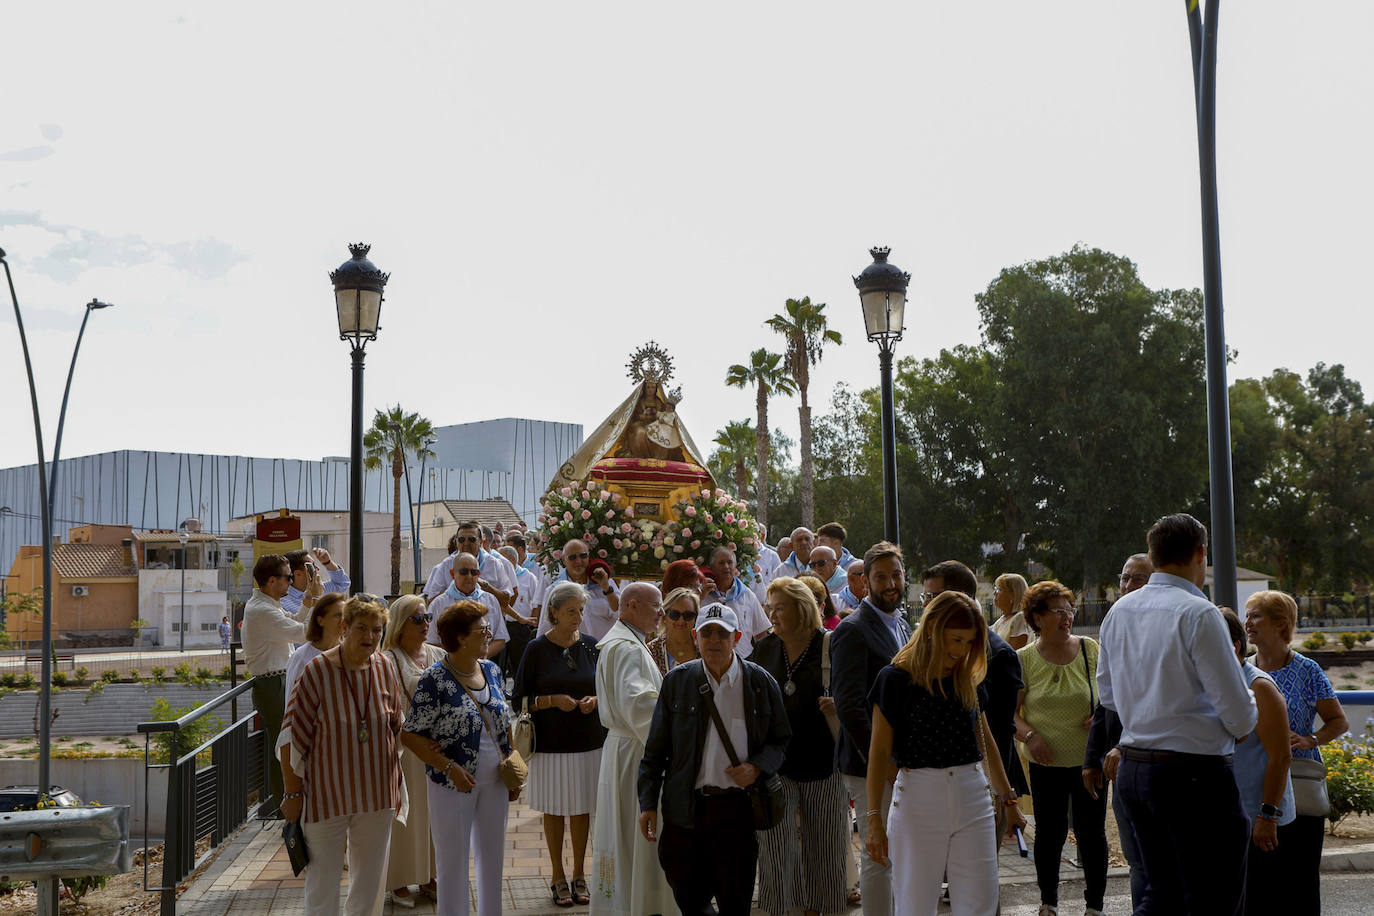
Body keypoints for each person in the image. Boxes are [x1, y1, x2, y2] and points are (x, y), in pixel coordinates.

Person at [1097, 513, 1257, 914]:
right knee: (1214, 899)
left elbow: (1109, 695)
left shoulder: (1120, 611)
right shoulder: (1199, 613)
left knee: (1160, 895)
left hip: (1136, 769)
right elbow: (1239, 715)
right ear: (1201, 554)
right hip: (1194, 776)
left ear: (1152, 556)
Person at [864, 591, 1025, 916]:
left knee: (980, 903)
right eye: (955, 640)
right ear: (933, 630)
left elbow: (986, 742)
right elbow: (879, 751)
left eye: (969, 642)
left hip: (973, 796)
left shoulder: (967, 675)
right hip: (917, 800)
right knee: (915, 905)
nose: (961, 650)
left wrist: (1009, 800)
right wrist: (873, 818)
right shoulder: (895, 679)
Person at [638, 603, 792, 916]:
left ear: (737, 637)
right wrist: (648, 804)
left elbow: (781, 740)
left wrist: (757, 766)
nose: (713, 640)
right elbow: (655, 752)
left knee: (735, 904)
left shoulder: (760, 683)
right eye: (707, 633)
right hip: (686, 810)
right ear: (695, 636)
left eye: (722, 634)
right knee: (689, 899)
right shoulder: (677, 682)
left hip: (737, 813)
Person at [280, 595, 408, 916]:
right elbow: (290, 739)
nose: (370, 637)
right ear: (344, 627)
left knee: (369, 885)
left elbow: (397, 726)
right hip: (326, 796)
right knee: (322, 886)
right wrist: (292, 793)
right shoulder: (316, 671)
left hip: (377, 795)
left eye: (377, 630)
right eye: (361, 628)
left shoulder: (384, 666)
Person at [401, 601, 519, 916]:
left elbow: (503, 723)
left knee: (492, 858)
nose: (490, 634)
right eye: (483, 630)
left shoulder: (492, 670)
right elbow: (410, 734)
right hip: (452, 783)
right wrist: (448, 767)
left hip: (496, 780)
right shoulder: (434, 679)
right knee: (452, 864)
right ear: (461, 637)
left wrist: (512, 766)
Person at [1246, 588, 1348, 913]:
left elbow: (1338, 722)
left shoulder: (1308, 670)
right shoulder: (1242, 670)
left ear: (1281, 624)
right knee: (1256, 885)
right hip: (1255, 790)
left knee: (1300, 885)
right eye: (1246, 615)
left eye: (1255, 615)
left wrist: (1310, 740)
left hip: (1299, 792)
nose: (1247, 622)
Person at [752, 577, 849, 916]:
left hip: (824, 765)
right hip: (777, 767)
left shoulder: (831, 645)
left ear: (802, 609)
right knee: (777, 850)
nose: (772, 615)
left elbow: (857, 696)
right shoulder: (764, 649)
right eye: (770, 608)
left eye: (780, 608)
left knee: (827, 849)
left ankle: (827, 909)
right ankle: (784, 911)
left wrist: (839, 706)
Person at [1012, 580, 1107, 916]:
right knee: (1050, 835)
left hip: (1089, 762)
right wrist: (1029, 736)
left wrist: (1101, 715)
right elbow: (1012, 714)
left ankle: (1095, 905)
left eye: (1069, 609)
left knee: (1092, 834)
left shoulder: (1090, 649)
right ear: (1037, 618)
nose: (1067, 616)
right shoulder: (1023, 659)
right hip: (1045, 763)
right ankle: (1048, 901)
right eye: (1058, 611)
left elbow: (1110, 696)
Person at [512, 580, 606, 909]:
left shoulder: (593, 646)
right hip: (550, 743)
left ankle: (580, 873)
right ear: (553, 612)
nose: (578, 617)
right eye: (571, 611)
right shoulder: (536, 649)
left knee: (581, 809)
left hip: (587, 741)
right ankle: (556, 875)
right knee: (554, 810)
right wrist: (551, 700)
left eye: (581, 610)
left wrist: (595, 700)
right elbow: (518, 700)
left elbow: (605, 689)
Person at [830, 541, 912, 916]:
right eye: (881, 577)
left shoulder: (904, 623)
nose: (890, 583)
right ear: (866, 582)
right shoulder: (853, 630)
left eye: (896, 575)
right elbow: (848, 705)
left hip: (903, 759)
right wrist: (885, 763)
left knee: (900, 852)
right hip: (870, 767)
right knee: (879, 856)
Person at [589, 582, 675, 916]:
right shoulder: (626, 648)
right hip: (636, 750)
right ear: (633, 606)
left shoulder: (626, 642)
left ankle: (630, 902)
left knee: (623, 835)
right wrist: (678, 732)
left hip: (624, 748)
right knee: (633, 836)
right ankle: (639, 904)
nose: (662, 614)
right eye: (657, 606)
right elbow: (640, 705)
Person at [1082, 552, 1153, 911]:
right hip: (1119, 763)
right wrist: (1092, 758)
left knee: (1155, 858)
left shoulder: (1163, 624)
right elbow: (1105, 701)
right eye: (1124, 577)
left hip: (1152, 761)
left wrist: (1125, 747)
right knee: (1136, 858)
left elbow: (1160, 700)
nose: (1128, 585)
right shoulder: (1114, 620)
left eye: (1138, 578)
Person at [922, 561, 1025, 803]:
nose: (926, 604)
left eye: (932, 596)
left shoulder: (998, 656)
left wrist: (999, 791)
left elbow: (998, 731)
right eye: (925, 595)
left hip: (980, 786)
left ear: (959, 598)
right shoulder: (924, 654)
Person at [1220, 608, 1295, 916]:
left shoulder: (1258, 687)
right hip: (1231, 819)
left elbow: (1281, 756)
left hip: (1260, 819)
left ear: (1234, 646)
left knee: (1261, 903)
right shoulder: (1220, 686)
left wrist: (1267, 816)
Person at [381, 594, 445, 908]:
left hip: (439, 750)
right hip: (405, 749)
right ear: (400, 623)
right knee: (408, 816)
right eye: (417, 619)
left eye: (427, 617)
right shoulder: (387, 659)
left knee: (434, 816)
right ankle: (398, 881)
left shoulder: (438, 654)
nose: (424, 624)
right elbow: (388, 706)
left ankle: (431, 877)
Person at [241, 553, 308, 815]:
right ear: (272, 580)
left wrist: (311, 599)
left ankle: (286, 802)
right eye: (288, 577)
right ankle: (285, 806)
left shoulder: (266, 604)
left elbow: (297, 624)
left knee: (285, 743)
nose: (291, 583)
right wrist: (312, 600)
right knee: (283, 745)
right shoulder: (262, 610)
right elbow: (303, 632)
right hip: (273, 684)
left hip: (279, 680)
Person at [427, 552, 508, 658]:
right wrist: (459, 661)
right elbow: (431, 643)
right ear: (452, 574)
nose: (469, 576)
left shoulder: (491, 600)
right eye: (464, 571)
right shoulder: (438, 604)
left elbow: (500, 639)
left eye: (474, 572)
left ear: (479, 574)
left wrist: (478, 659)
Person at [422, 520, 518, 609]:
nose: (466, 543)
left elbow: (506, 601)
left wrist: (486, 586)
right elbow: (431, 602)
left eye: (472, 539)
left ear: (481, 541)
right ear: (456, 542)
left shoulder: (494, 564)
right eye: (461, 539)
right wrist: (455, 588)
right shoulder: (446, 565)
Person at [539, 540, 621, 641]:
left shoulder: (605, 582)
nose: (578, 561)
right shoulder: (554, 591)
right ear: (564, 560)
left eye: (583, 556)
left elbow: (620, 613)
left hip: (606, 651)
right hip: (575, 653)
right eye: (572, 557)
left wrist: (606, 588)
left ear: (588, 556)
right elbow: (545, 628)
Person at [705, 546, 772, 658]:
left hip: (744, 661)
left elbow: (761, 633)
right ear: (711, 567)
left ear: (735, 566)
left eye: (730, 562)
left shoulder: (747, 595)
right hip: (711, 660)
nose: (726, 566)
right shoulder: (704, 595)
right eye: (721, 563)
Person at [498, 544, 540, 680]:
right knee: (500, 664)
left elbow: (536, 602)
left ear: (512, 560)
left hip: (521, 628)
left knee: (520, 664)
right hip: (502, 625)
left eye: (502, 560)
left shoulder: (528, 577)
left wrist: (531, 625)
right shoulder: (498, 577)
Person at [647, 586, 701, 674]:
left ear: (696, 618)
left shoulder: (704, 649)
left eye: (688, 615)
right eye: (674, 614)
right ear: (664, 616)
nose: (681, 620)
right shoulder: (651, 651)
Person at [282, 547, 351, 616]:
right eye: (312, 566)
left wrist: (327, 562)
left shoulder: (321, 587)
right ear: (298, 574)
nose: (318, 568)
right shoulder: (284, 603)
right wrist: (316, 596)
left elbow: (343, 583)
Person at [990, 573, 1030, 650]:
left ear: (1013, 595)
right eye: (995, 589)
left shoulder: (1020, 618)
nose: (994, 593)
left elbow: (1014, 654)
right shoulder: (1002, 619)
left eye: (999, 589)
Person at [815, 522, 857, 588]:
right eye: (818, 541)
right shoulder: (813, 564)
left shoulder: (855, 566)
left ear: (836, 543)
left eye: (822, 541)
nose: (818, 545)